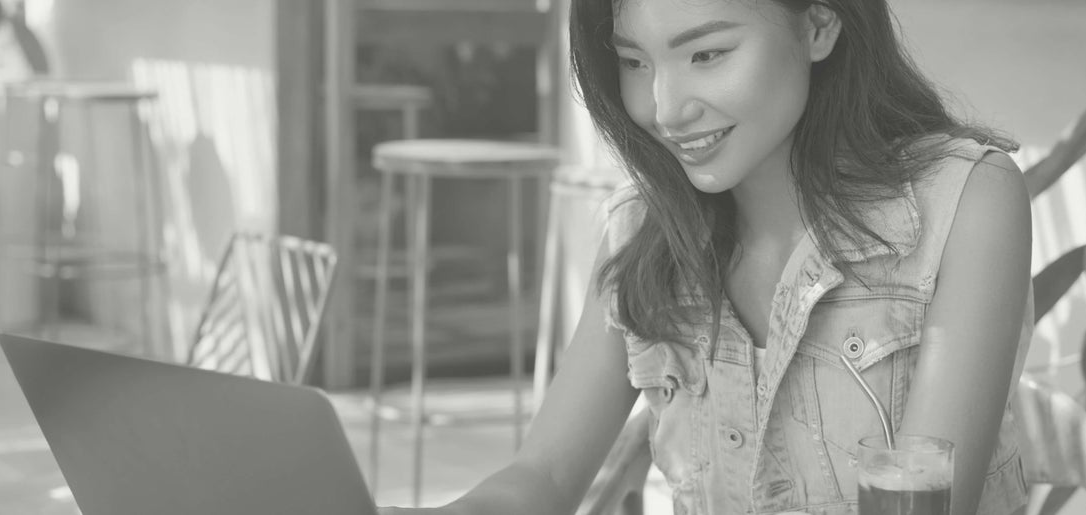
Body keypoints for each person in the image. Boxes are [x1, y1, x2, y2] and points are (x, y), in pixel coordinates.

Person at [381, 0, 1032, 513]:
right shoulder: (644, 230)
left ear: (821, 25)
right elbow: (544, 475)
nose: (665, 108)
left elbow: (923, 499)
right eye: (635, 61)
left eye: (707, 53)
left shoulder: (967, 201)